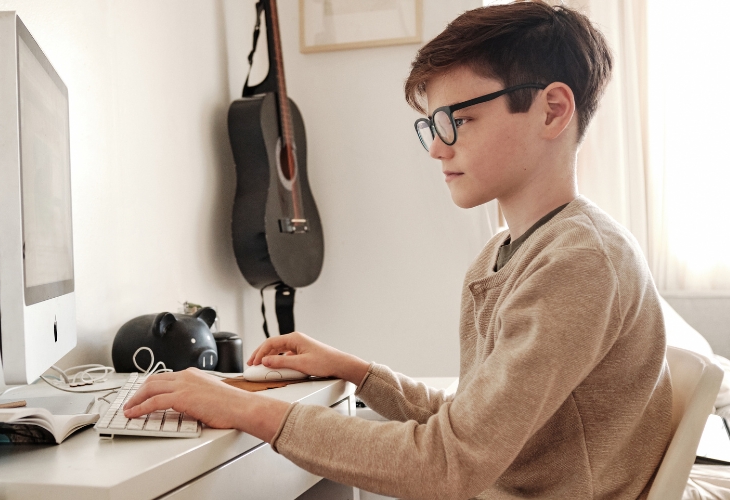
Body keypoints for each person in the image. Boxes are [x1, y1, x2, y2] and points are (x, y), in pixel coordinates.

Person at [123, 1, 672, 498]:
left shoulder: (579, 262)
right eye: (431, 126)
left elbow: (448, 463)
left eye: (456, 121)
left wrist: (241, 406)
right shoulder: (508, 253)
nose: (436, 147)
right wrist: (359, 372)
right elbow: (467, 424)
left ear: (552, 110)